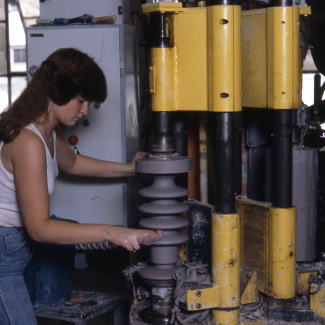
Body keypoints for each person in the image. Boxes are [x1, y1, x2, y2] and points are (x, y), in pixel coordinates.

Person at [0, 48, 163, 325]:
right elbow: (39, 227)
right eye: (81, 100)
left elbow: (72, 164)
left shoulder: (45, 128)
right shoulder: (27, 142)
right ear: (56, 91)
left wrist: (131, 169)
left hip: (16, 247)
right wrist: (112, 232)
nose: (85, 111)